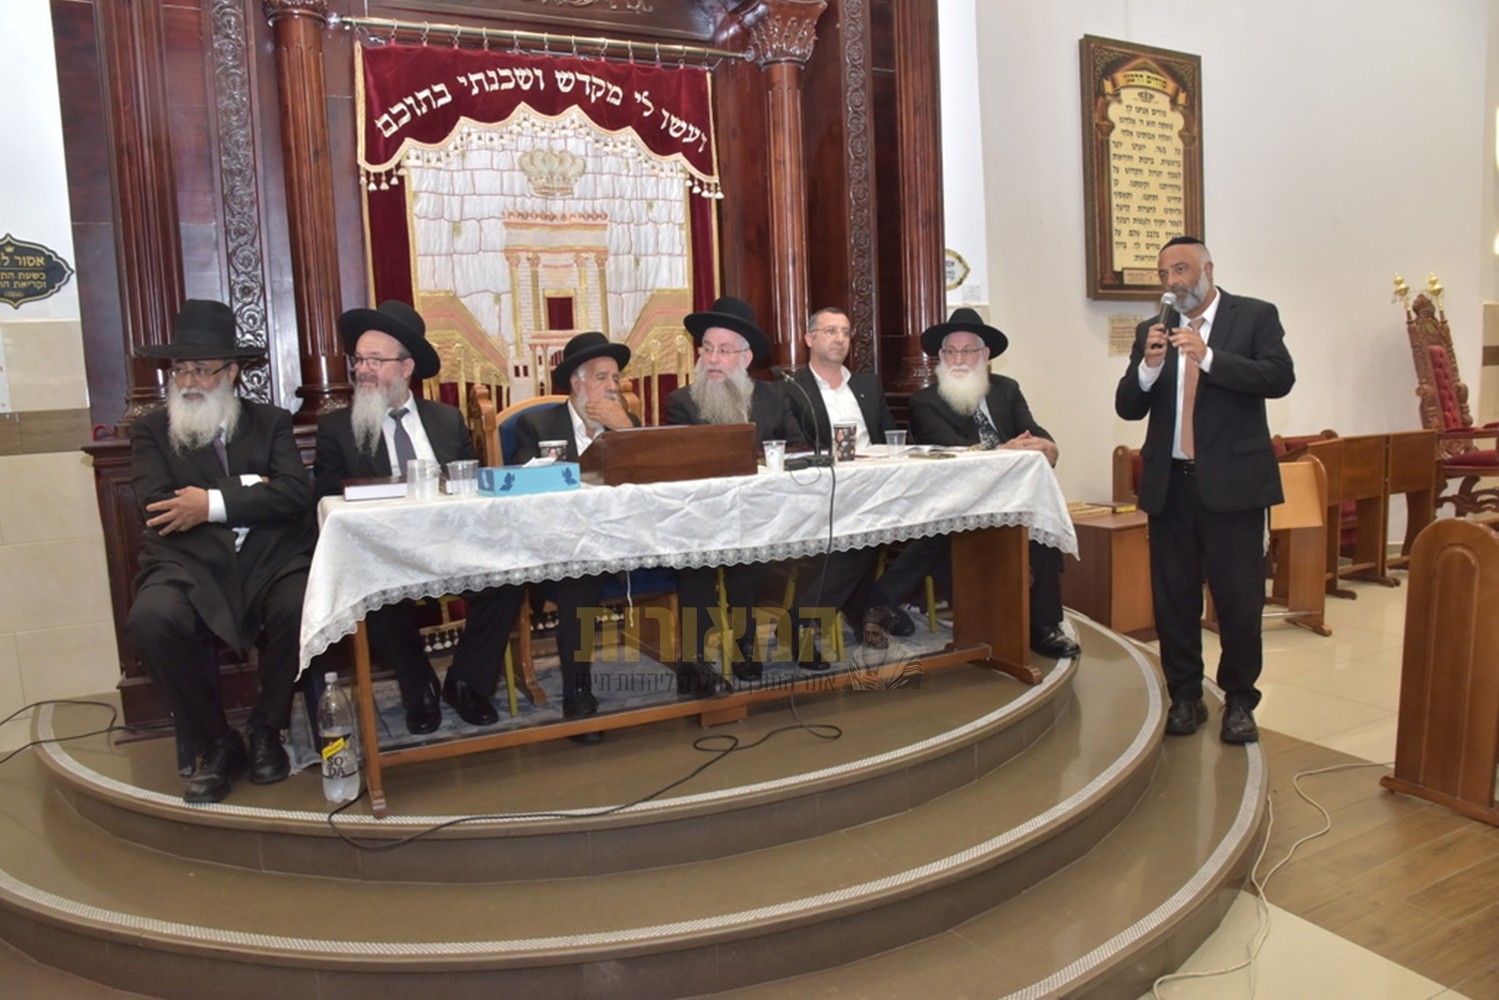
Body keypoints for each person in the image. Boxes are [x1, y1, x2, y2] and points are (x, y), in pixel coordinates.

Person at [125, 299, 316, 803]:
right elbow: (157, 506)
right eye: (180, 369)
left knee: (300, 603)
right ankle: (216, 742)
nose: (188, 380)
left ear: (231, 372)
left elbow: (295, 494)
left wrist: (209, 503)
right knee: (152, 619)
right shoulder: (151, 430)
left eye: (202, 369)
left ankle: (267, 727)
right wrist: (253, 489)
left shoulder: (270, 421)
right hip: (187, 563)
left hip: (269, 559)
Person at [1115, 236, 1295, 744]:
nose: (1172, 282)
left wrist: (1209, 356)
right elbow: (1127, 406)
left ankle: (1239, 700)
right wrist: (1148, 368)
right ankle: (1186, 697)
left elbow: (1279, 377)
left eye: (1181, 270)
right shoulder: (1153, 331)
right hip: (1170, 486)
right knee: (1173, 600)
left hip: (1234, 487)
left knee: (1239, 601)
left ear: (1207, 270)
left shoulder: (1254, 316)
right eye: (1164, 274)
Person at [314, 300, 523, 735]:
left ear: (406, 367)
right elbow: (326, 502)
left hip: (453, 546)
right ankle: (420, 690)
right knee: (376, 596)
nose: (363, 370)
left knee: (508, 580)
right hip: (384, 553)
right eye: (359, 360)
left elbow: (471, 490)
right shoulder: (338, 429)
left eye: (375, 360)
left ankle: (467, 684)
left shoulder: (446, 420)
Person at [863, 308, 1081, 662]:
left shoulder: (1007, 390)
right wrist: (1004, 450)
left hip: (1011, 499)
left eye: (968, 351)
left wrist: (1049, 447)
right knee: (945, 531)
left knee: (1041, 527)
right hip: (955, 501)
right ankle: (881, 600)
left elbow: (1032, 430)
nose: (959, 359)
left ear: (985, 355)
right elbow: (950, 449)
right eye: (951, 351)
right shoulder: (925, 401)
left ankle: (1045, 626)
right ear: (940, 357)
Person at [665, 296, 811, 692]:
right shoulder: (682, 401)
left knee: (751, 561)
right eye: (707, 349)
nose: (713, 359)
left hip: (759, 513)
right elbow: (685, 461)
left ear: (745, 358)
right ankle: (694, 661)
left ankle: (746, 646)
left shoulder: (774, 397)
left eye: (724, 350)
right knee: (694, 565)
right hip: (699, 515)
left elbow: (799, 448)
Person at [511, 331, 641, 744]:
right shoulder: (537, 425)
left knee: (696, 563)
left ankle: (696, 668)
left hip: (628, 543)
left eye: (615, 378)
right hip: (566, 547)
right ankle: (578, 692)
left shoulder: (627, 424)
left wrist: (624, 431)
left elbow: (654, 481)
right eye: (601, 377)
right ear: (576, 383)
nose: (611, 387)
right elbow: (521, 495)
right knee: (579, 580)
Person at [783, 306, 914, 640]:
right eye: (830, 331)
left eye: (845, 332)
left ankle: (855, 607)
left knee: (935, 521)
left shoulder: (867, 384)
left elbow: (889, 439)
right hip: (823, 491)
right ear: (809, 338)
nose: (840, 339)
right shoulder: (792, 388)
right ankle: (860, 610)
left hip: (878, 486)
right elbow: (795, 446)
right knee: (861, 537)